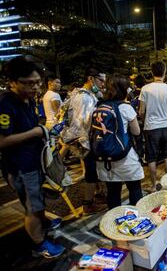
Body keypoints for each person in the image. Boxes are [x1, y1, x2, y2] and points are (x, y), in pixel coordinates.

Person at [0, 56, 65, 258]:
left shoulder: (28, 99)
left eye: (37, 82)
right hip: (21, 166)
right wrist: (37, 132)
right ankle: (39, 244)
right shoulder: (6, 104)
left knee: (38, 201)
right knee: (32, 206)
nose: (36, 87)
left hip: (34, 161)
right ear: (12, 82)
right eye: (29, 83)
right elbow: (2, 141)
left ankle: (43, 221)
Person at [61, 67, 107, 214]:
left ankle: (98, 195)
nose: (103, 84)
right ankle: (88, 204)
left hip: (87, 138)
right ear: (91, 79)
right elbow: (83, 121)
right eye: (101, 80)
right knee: (91, 172)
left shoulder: (83, 94)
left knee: (94, 170)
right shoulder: (84, 97)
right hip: (86, 139)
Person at [96, 75, 144, 209]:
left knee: (113, 192)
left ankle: (113, 224)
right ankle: (136, 220)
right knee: (134, 188)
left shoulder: (99, 107)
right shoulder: (126, 107)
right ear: (123, 89)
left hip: (105, 160)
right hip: (125, 157)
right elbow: (136, 132)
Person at [139, 61, 167, 192]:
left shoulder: (145, 89)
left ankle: (154, 186)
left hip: (151, 127)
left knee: (151, 158)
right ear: (164, 72)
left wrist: (146, 122)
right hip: (166, 126)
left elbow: (141, 111)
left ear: (151, 72)